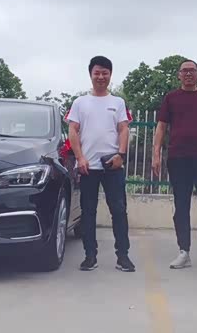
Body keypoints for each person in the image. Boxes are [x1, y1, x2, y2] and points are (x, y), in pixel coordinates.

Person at [152, 58, 197, 271]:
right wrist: (156, 154)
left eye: (192, 70)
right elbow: (161, 127)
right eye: (184, 71)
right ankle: (183, 252)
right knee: (181, 206)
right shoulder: (171, 98)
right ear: (179, 75)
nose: (188, 74)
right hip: (178, 158)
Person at [66, 55, 136, 272]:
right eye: (97, 72)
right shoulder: (80, 103)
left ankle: (123, 256)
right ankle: (90, 256)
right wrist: (80, 158)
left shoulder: (118, 103)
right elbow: (73, 130)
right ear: (91, 74)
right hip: (88, 167)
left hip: (113, 166)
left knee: (119, 211)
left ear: (110, 75)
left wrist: (120, 155)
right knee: (88, 212)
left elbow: (123, 129)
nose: (101, 76)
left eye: (105, 73)